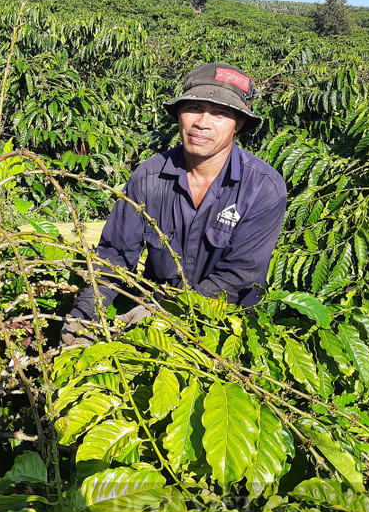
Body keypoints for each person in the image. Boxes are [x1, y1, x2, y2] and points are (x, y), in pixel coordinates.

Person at [62, 62, 287, 346]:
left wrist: (165, 315)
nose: (202, 123)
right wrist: (86, 314)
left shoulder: (262, 188)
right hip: (148, 321)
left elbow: (239, 276)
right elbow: (116, 255)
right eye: (193, 108)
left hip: (227, 328)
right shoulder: (149, 177)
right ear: (179, 114)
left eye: (220, 114)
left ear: (238, 124)